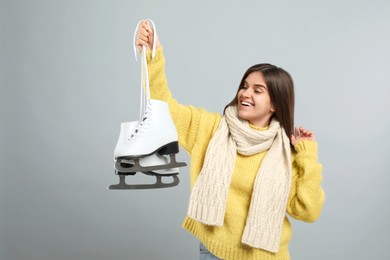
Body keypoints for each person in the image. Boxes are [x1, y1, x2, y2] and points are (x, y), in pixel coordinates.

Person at [136, 20, 325, 260]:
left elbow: (308, 211)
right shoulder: (210, 129)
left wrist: (307, 154)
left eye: (258, 90)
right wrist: (153, 55)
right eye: (245, 86)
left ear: (276, 104)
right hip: (214, 252)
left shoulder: (287, 154)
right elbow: (162, 107)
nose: (245, 93)